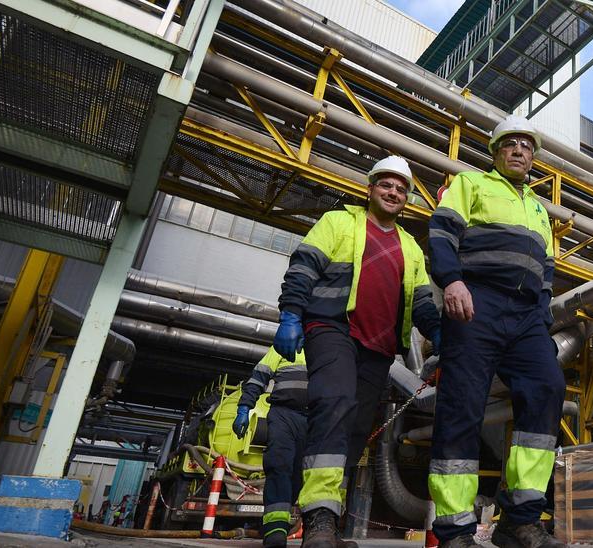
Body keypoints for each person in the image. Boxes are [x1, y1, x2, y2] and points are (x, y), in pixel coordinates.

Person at [275, 155, 441, 548]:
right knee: (334, 404)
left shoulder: (410, 248)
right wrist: (291, 314)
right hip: (332, 329)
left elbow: (421, 303)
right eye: (386, 185)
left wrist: (441, 335)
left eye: (401, 189)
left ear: (407, 200)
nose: (393, 192)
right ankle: (319, 519)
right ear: (370, 189)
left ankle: (329, 521)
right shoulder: (340, 223)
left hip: (379, 350)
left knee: (354, 428)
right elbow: (304, 266)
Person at [426, 115, 565, 548]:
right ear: (496, 151)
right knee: (462, 406)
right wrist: (451, 280)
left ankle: (518, 519)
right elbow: (441, 233)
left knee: (547, 387)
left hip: (526, 316)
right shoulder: (471, 184)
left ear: (533, 157)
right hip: (476, 302)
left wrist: (541, 316)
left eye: (527, 146)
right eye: (511, 144)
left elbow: (546, 269)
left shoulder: (539, 209)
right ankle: (453, 529)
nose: (520, 151)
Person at [234, 347, 308, 548]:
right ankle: (275, 532)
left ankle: (313, 531)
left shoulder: (326, 343)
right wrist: (244, 407)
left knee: (303, 477)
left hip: (316, 419)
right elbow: (258, 377)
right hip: (283, 414)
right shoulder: (284, 347)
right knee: (279, 465)